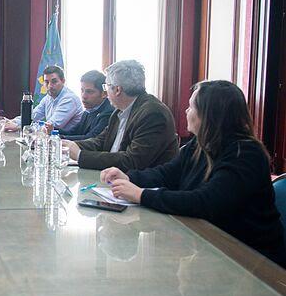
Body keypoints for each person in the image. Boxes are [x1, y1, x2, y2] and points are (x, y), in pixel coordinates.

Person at [101, 80, 286, 266]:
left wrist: (141, 195)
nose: (186, 112)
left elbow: (205, 202)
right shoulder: (200, 143)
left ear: (209, 115)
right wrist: (130, 177)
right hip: (214, 245)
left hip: (251, 259)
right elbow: (168, 174)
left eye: (191, 107)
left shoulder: (246, 154)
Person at [63, 60, 178, 171]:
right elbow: (101, 141)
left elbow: (132, 161)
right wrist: (69, 145)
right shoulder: (119, 111)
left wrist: (80, 155)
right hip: (114, 178)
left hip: (142, 185)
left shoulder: (153, 114)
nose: (106, 92)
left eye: (106, 87)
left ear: (117, 90)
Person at [54, 70, 114, 141]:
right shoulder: (88, 110)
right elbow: (73, 132)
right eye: (82, 90)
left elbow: (91, 138)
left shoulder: (108, 112)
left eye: (89, 92)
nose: (84, 96)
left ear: (104, 93)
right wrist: (53, 130)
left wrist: (60, 138)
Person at [31, 65, 83, 130]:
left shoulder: (69, 99)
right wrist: (16, 122)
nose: (50, 86)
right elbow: (33, 115)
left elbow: (52, 126)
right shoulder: (48, 97)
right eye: (46, 82)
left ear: (63, 81)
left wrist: (28, 127)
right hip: (55, 138)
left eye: (54, 81)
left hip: (69, 139)